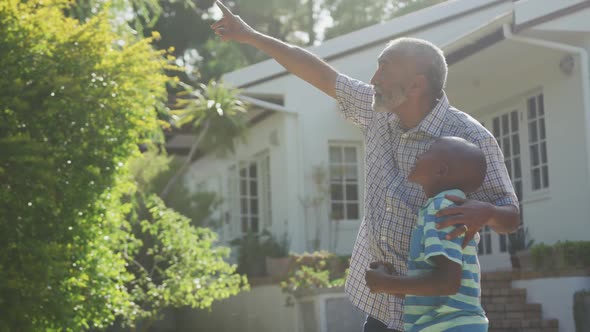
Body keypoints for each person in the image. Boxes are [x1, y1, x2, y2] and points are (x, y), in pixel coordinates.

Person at [210, 2, 519, 331]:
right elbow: (319, 73)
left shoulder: (469, 138)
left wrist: (486, 212)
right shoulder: (377, 111)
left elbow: (510, 216)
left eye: (384, 70)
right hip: (383, 307)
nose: (373, 79)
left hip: (437, 317)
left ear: (416, 86)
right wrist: (251, 35)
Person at [365, 136, 489, 332]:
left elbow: (447, 283)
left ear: (441, 170)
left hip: (447, 326)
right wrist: (397, 284)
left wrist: (387, 284)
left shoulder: (440, 208)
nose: (419, 154)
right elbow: (439, 289)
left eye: (428, 151)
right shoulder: (445, 206)